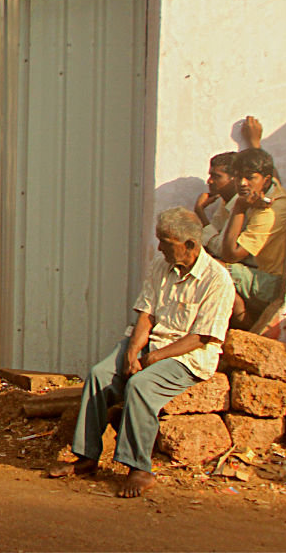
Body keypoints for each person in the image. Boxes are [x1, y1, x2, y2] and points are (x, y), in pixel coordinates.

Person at [48, 207, 234, 498]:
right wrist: (133, 351)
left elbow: (202, 336)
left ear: (190, 245)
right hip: (151, 344)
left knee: (140, 386)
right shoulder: (161, 266)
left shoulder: (217, 279)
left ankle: (139, 469)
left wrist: (153, 358)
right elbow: (145, 314)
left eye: (165, 242)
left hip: (187, 357)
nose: (159, 247)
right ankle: (87, 458)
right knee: (99, 375)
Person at [217, 147, 286, 328]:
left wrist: (239, 208)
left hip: (270, 284)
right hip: (258, 271)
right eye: (237, 176)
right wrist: (254, 142)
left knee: (214, 268)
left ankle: (246, 326)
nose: (242, 183)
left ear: (265, 180)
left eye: (250, 177)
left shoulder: (271, 210)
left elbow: (231, 255)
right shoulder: (272, 188)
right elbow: (272, 172)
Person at [194, 151, 239, 257]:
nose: (209, 181)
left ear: (234, 179)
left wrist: (200, 211)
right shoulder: (224, 202)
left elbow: (220, 250)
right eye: (210, 176)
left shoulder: (239, 205)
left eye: (216, 177)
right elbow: (207, 240)